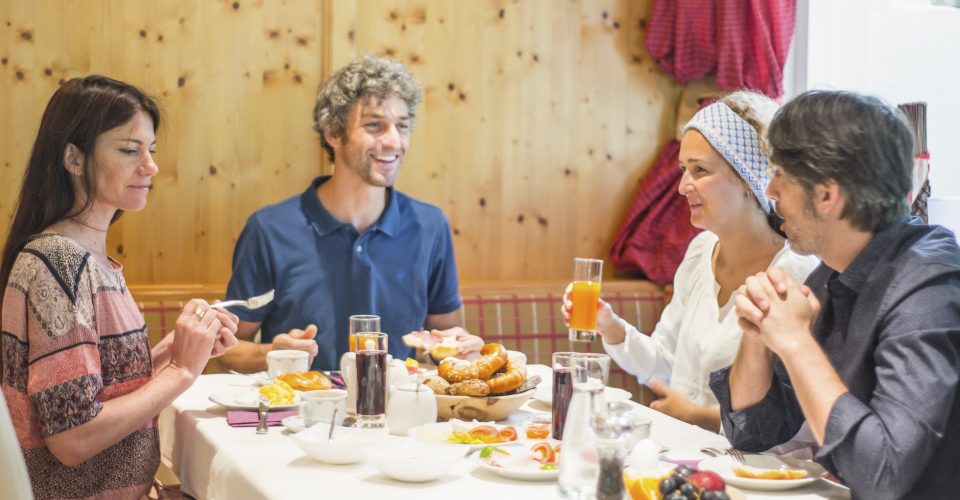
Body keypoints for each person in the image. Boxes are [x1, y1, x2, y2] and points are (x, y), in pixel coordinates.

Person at [0, 75, 239, 499]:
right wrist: (182, 372)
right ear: (73, 158)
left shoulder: (88, 260)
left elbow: (94, 384)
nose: (151, 166)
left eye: (151, 150)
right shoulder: (57, 265)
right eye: (130, 150)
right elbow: (73, 438)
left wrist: (174, 351)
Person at [712, 90, 960, 498]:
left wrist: (794, 341)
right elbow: (754, 433)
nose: (770, 190)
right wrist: (759, 332)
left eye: (781, 175)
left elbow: (882, 473)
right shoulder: (831, 273)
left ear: (827, 195)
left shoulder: (929, 286)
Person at [562, 91, 819, 432]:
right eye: (684, 169)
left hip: (760, 474)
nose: (683, 186)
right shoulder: (701, 252)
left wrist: (702, 419)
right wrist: (611, 328)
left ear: (747, 177)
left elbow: (806, 422)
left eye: (699, 170)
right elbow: (663, 364)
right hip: (683, 456)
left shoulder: (797, 272)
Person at [218, 54, 482, 373]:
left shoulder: (430, 225)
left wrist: (460, 345)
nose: (393, 141)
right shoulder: (270, 229)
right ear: (333, 133)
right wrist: (271, 353)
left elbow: (442, 338)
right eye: (375, 125)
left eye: (402, 126)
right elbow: (226, 351)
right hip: (300, 418)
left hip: (402, 414)